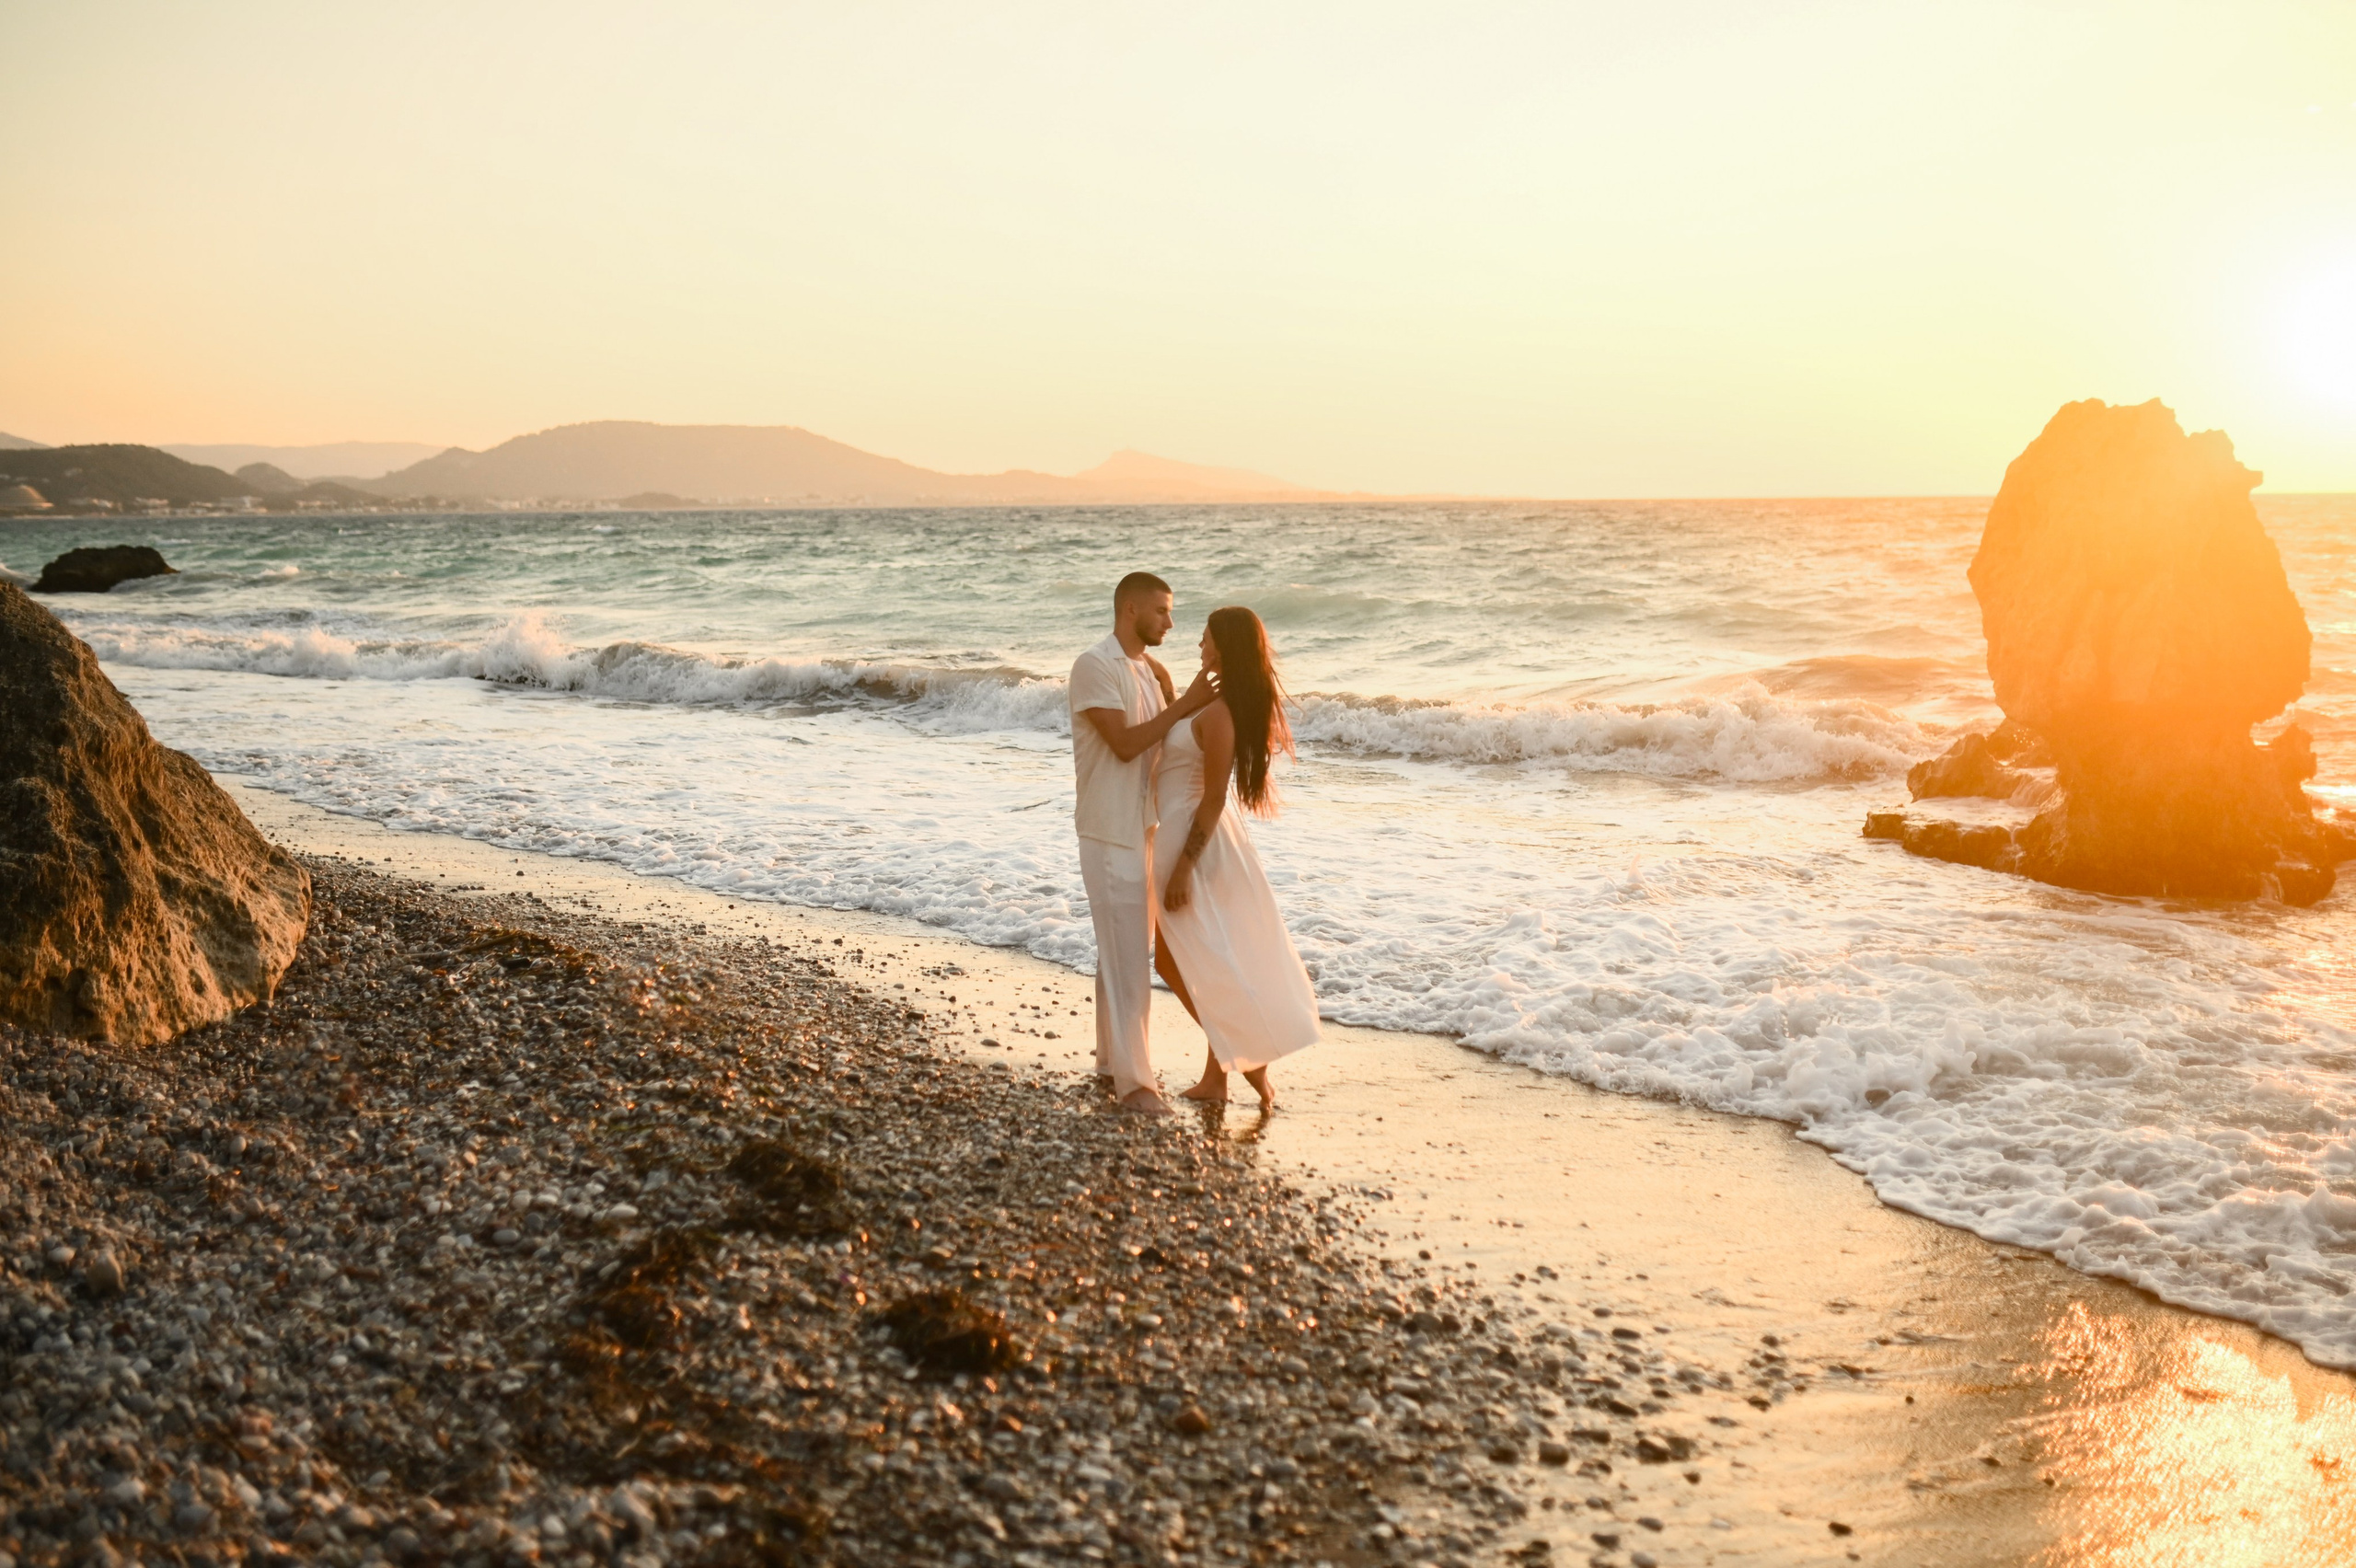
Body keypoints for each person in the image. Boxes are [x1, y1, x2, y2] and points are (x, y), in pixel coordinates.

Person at [1154, 606, 1320, 1109]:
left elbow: (1213, 799)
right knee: (1198, 959)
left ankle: (1238, 1060)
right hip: (1178, 837)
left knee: (1189, 958)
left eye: (1205, 639)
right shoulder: (1210, 700)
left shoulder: (1222, 713)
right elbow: (1177, 733)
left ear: (1224, 646)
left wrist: (1184, 866)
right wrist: (1171, 689)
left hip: (1198, 846)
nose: (1199, 646)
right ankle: (1228, 1069)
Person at [1069, 572, 1216, 1113]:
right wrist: (1183, 703)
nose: (1171, 622)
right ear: (1130, 610)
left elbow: (1175, 740)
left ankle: (1112, 1062)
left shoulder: (1152, 672)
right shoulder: (1094, 666)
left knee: (1120, 950)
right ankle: (1137, 1085)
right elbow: (1127, 745)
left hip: (1145, 826)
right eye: (1161, 611)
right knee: (1128, 954)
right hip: (1109, 828)